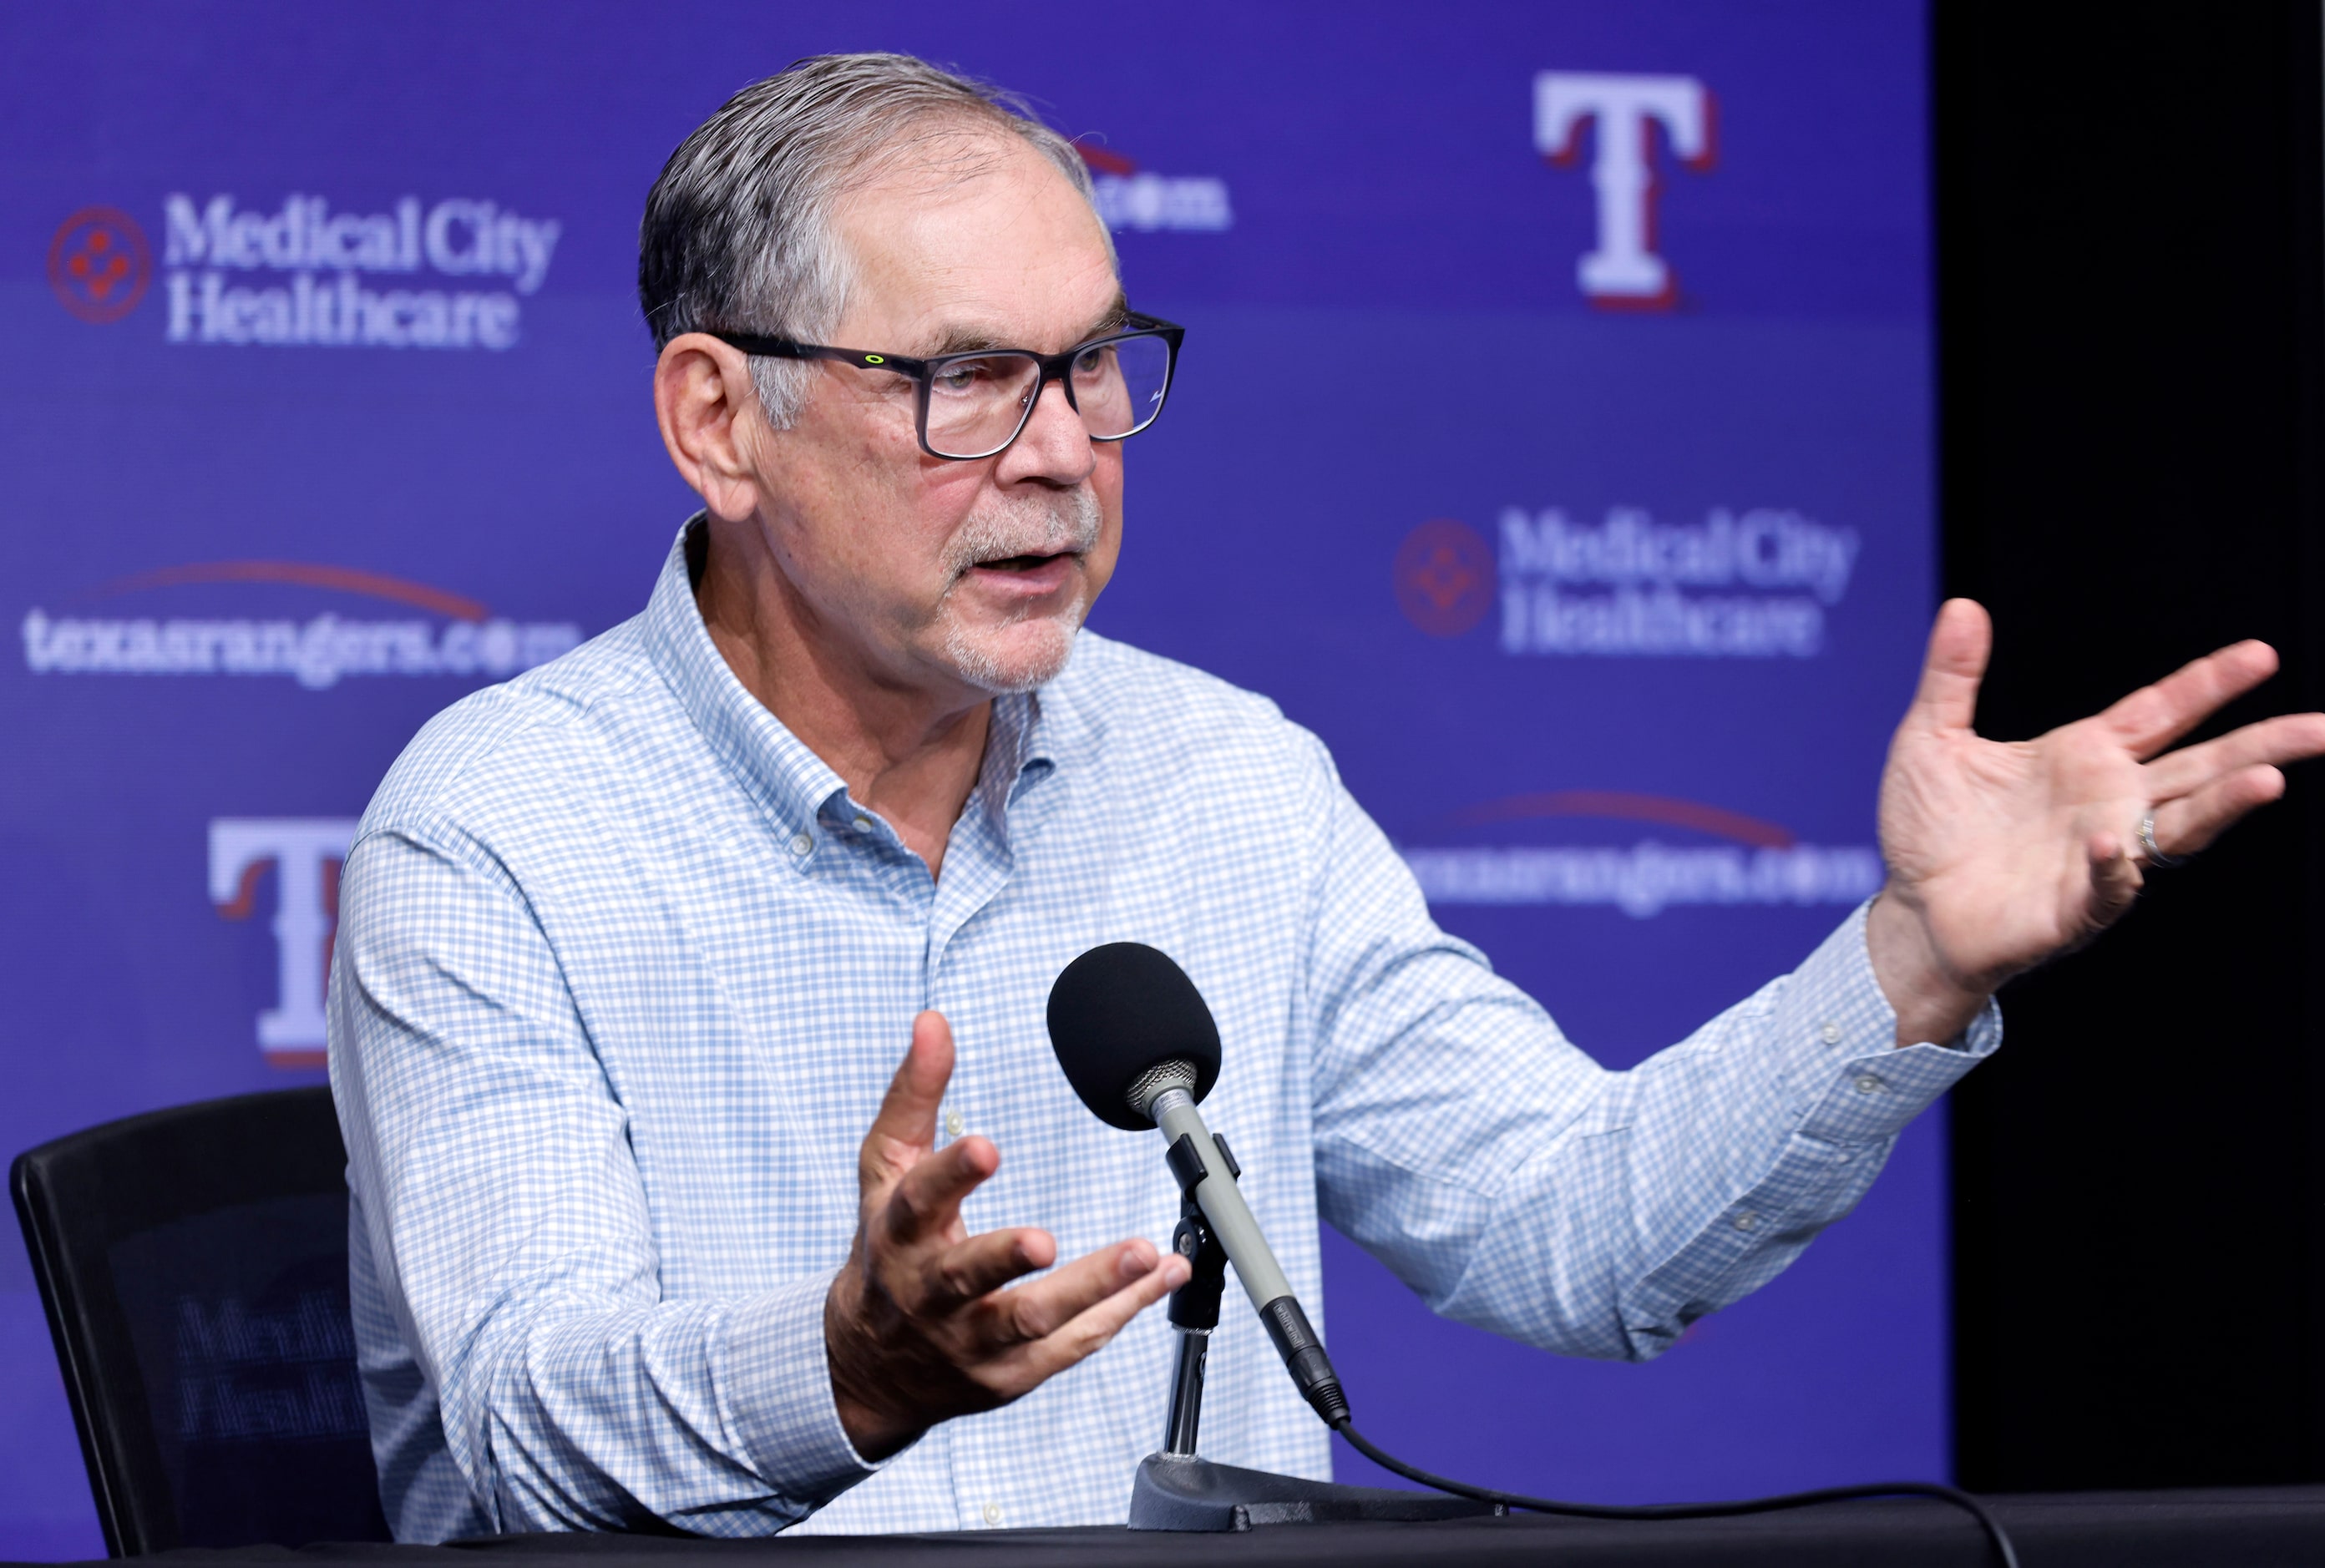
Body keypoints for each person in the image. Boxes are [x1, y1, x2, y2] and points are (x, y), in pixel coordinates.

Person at [327, 53, 2325, 1541]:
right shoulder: (497, 830)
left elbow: (1571, 1231)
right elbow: (515, 1437)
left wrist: (1908, 961)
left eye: (1094, 366)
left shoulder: (1225, 781)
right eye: (962, 381)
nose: (1059, 455)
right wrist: (850, 1374)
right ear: (716, 420)